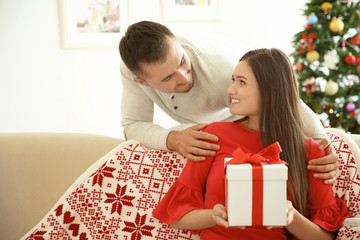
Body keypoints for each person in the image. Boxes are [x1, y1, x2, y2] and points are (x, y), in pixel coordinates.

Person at [152, 48, 352, 240]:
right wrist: (212, 215)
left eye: (242, 82)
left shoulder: (311, 152)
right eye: (233, 80)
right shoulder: (212, 136)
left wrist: (291, 217)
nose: (230, 90)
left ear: (270, 90)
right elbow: (176, 216)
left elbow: (324, 238)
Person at [119, 20, 338, 183]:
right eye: (168, 78)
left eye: (182, 62)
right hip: (204, 130)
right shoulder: (131, 74)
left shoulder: (222, 69)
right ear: (142, 81)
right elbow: (132, 125)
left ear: (178, 45)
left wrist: (322, 142)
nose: (184, 77)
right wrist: (172, 139)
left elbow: (285, 100)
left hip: (247, 123)